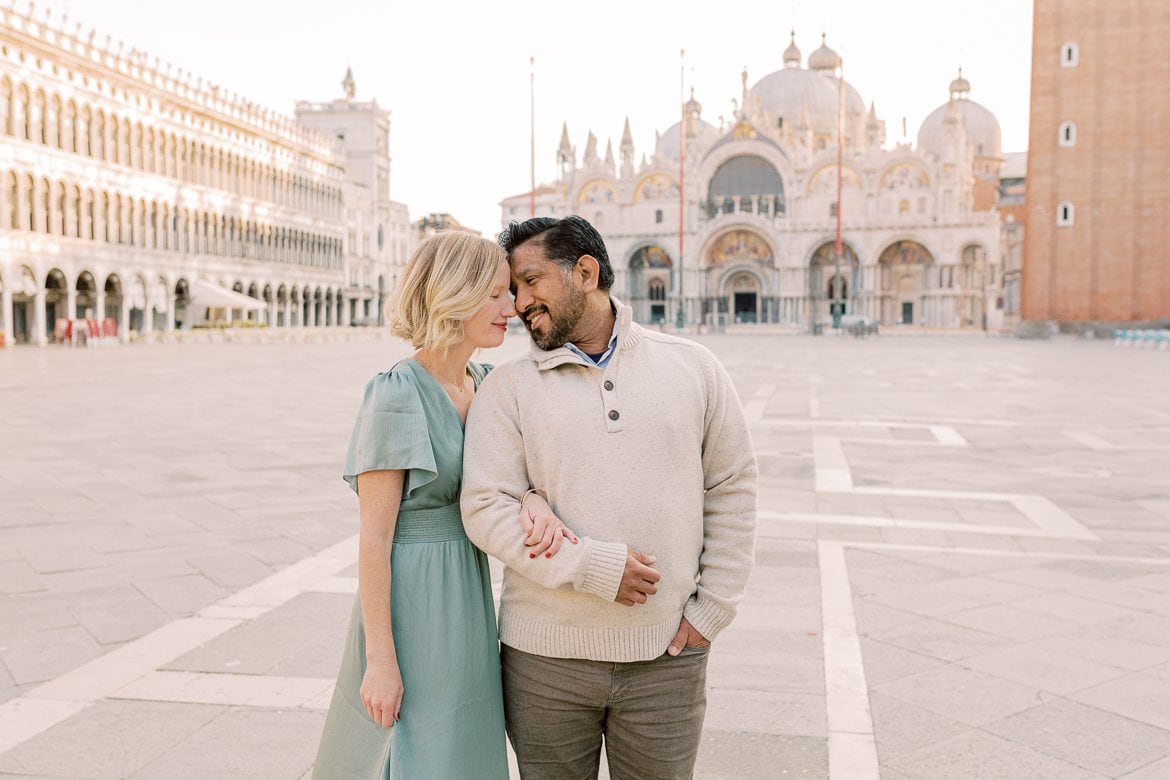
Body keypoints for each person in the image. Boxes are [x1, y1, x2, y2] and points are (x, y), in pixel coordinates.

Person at [461, 215, 758, 779]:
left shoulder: (694, 367)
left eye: (530, 281)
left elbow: (732, 486)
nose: (519, 303)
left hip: (667, 659)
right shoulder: (507, 388)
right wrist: (591, 567)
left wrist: (712, 609)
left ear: (586, 271)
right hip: (543, 664)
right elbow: (484, 507)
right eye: (512, 290)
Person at [312, 230, 574, 779]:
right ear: (455, 294)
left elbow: (502, 478)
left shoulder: (483, 383)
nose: (513, 308)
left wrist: (532, 498)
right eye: (497, 294)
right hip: (412, 601)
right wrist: (380, 661)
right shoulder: (397, 391)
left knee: (461, 751)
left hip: (468, 596)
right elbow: (374, 538)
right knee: (415, 751)